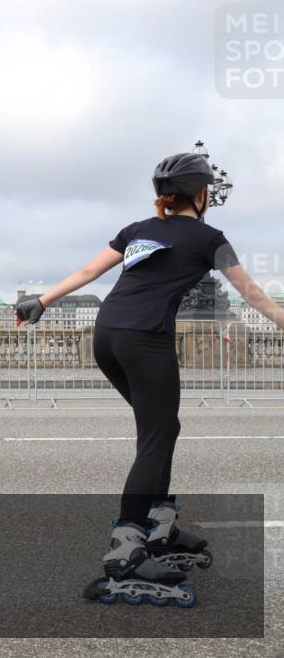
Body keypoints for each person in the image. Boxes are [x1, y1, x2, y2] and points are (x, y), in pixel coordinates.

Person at [16, 150, 284, 601]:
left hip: (108, 336)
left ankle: (161, 525)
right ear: (203, 195)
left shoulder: (138, 229)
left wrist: (41, 301)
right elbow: (253, 294)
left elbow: (87, 272)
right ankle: (127, 549)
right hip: (145, 339)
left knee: (163, 427)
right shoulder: (209, 237)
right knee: (156, 436)